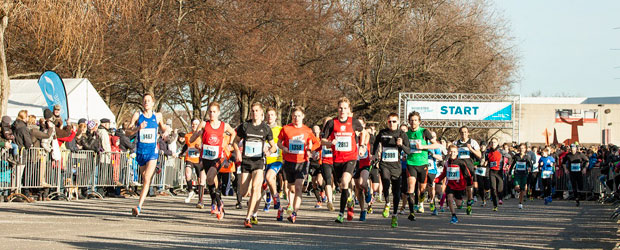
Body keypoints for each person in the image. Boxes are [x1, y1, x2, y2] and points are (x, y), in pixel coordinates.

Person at [321, 97, 366, 224]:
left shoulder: (353, 122)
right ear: (337, 109)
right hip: (337, 159)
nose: (342, 110)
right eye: (340, 108)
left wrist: (362, 145)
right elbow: (322, 140)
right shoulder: (331, 123)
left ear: (349, 110)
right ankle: (349, 199)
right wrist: (330, 142)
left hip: (351, 158)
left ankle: (341, 213)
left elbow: (365, 133)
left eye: (345, 108)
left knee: (345, 182)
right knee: (342, 186)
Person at [190, 102, 237, 219]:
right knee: (211, 181)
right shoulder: (204, 124)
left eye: (214, 112)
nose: (212, 114)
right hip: (206, 157)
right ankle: (216, 201)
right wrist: (198, 134)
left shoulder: (223, 125)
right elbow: (191, 139)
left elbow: (233, 132)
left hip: (218, 157)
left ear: (218, 113)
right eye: (210, 111)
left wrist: (229, 144)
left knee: (210, 177)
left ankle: (216, 203)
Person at [233, 102, 277, 228]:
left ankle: (248, 217)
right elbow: (235, 142)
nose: (254, 113)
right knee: (243, 192)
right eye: (252, 111)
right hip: (246, 162)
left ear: (261, 113)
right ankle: (253, 205)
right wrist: (237, 152)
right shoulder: (245, 126)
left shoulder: (266, 128)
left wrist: (268, 151)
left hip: (259, 162)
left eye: (257, 111)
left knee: (255, 188)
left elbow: (274, 147)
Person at [277, 106, 320, 223]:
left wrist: (310, 147)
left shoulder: (307, 130)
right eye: (294, 116)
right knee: (290, 188)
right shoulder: (286, 129)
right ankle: (290, 205)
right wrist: (284, 148)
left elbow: (317, 143)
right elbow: (279, 142)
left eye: (299, 116)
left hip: (302, 161)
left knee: (298, 187)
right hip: (289, 161)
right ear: (292, 117)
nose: (296, 118)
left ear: (303, 117)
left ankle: (294, 213)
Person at [127, 94, 168, 217]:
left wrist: (166, 132)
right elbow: (128, 132)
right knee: (144, 176)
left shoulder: (157, 116)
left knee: (146, 179)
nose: (146, 102)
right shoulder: (137, 115)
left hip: (152, 152)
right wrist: (138, 128)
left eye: (149, 101)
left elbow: (163, 128)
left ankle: (139, 206)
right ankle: (155, 169)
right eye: (144, 101)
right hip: (140, 152)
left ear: (153, 103)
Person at [371, 113, 410, 228]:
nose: (391, 123)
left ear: (397, 122)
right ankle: (387, 203)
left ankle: (394, 215)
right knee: (386, 182)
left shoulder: (402, 134)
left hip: (396, 166)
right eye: (389, 121)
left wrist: (401, 145)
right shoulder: (383, 133)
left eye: (394, 121)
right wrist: (373, 155)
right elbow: (375, 143)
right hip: (384, 164)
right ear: (387, 122)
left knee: (397, 192)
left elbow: (408, 151)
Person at [405, 111, 439, 216]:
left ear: (419, 122)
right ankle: (411, 212)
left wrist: (423, 147)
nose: (413, 122)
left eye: (415, 120)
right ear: (408, 121)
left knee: (422, 189)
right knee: (411, 187)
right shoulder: (406, 134)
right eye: (411, 120)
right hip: (411, 163)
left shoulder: (424, 132)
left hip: (423, 164)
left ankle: (421, 202)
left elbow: (436, 145)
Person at [435, 144, 472, 224]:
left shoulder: (461, 163)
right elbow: (444, 173)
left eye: (454, 152)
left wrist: (469, 184)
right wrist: (437, 179)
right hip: (450, 185)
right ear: (448, 152)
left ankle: (460, 202)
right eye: (451, 151)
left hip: (459, 186)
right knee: (449, 198)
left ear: (457, 153)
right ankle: (454, 216)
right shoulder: (446, 163)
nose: (452, 153)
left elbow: (467, 174)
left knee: (458, 205)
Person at [453, 126, 481, 215]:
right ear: (459, 133)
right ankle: (459, 199)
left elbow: (479, 155)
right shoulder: (456, 143)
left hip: (469, 168)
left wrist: (471, 149)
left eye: (465, 132)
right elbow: (452, 155)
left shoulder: (472, 142)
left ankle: (469, 204)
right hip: (458, 168)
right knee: (458, 186)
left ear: (468, 133)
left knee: (469, 188)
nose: (463, 134)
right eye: (462, 132)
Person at [263, 108, 284, 212]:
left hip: (276, 160)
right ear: (265, 116)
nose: (270, 116)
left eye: (272, 115)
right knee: (264, 184)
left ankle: (275, 197)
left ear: (276, 117)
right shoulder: (262, 128)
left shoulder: (280, 129)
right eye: (268, 115)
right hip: (263, 161)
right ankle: (278, 207)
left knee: (269, 177)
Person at [178, 119, 202, 204]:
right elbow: (186, 145)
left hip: (199, 159)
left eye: (196, 124)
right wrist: (181, 153)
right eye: (193, 124)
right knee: (187, 174)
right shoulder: (187, 135)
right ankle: (191, 191)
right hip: (189, 158)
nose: (194, 126)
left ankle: (200, 198)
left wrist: (199, 148)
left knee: (200, 179)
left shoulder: (201, 135)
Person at [353, 118, 372, 221]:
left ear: (364, 124)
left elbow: (365, 134)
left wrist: (362, 145)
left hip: (365, 163)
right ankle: (362, 210)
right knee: (358, 189)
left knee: (362, 183)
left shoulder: (365, 134)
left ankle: (368, 190)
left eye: (361, 124)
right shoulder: (352, 134)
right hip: (355, 163)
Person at [483, 138, 504, 211]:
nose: (493, 144)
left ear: (497, 143)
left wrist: (507, 164)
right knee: (493, 188)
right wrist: (485, 162)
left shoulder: (501, 151)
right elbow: (486, 160)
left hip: (499, 171)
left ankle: (500, 198)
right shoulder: (487, 152)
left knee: (499, 188)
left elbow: (510, 157)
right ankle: (495, 205)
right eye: (491, 142)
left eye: (494, 142)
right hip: (492, 172)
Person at [510, 143, 531, 209]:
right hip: (517, 173)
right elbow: (513, 163)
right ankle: (517, 191)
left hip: (524, 174)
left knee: (522, 189)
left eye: (523, 148)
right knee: (517, 187)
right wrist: (510, 171)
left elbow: (530, 164)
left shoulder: (527, 157)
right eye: (520, 148)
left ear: (525, 149)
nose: (521, 149)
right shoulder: (516, 156)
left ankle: (520, 203)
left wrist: (530, 168)